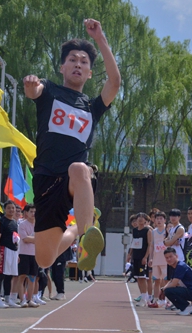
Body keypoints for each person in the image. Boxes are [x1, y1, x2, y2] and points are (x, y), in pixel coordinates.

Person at [23, 18, 120, 272]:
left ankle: (87, 237)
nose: (78, 64)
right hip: (46, 180)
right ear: (62, 67)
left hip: (76, 180)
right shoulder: (50, 90)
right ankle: (78, 229)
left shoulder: (92, 107)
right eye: (73, 60)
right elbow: (34, 92)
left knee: (79, 168)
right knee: (44, 260)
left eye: (84, 62)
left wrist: (100, 39)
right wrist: (31, 85)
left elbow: (114, 83)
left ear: (89, 72)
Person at [161, 248, 192, 316]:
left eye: (170, 256)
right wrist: (163, 288)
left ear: (176, 256)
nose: (169, 259)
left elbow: (173, 284)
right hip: (189, 290)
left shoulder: (180, 266)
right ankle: (186, 307)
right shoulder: (175, 266)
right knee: (167, 290)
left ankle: (187, 307)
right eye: (166, 258)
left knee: (168, 291)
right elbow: (171, 280)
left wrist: (163, 289)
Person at [0, 201, 19, 308]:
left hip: (13, 251)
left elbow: (16, 238)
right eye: (9, 208)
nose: (11, 210)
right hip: (4, 249)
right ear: (5, 209)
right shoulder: (2, 221)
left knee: (9, 276)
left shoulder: (14, 222)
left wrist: (17, 254)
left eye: (13, 208)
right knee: (1, 274)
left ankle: (7, 298)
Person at [17, 204, 39, 308]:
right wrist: (37, 239)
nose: (33, 214)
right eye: (31, 212)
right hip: (24, 253)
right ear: (26, 213)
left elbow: (42, 239)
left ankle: (30, 299)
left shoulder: (39, 225)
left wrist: (33, 239)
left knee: (32, 277)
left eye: (35, 212)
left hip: (35, 254)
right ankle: (22, 300)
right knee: (22, 276)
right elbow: (25, 239)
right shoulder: (22, 225)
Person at [129, 213, 151, 307]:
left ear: (146, 220)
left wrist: (145, 257)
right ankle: (142, 296)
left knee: (143, 277)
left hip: (143, 256)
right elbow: (133, 242)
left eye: (143, 218)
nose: (140, 219)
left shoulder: (147, 230)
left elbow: (150, 245)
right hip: (136, 256)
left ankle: (145, 299)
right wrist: (129, 254)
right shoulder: (134, 230)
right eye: (139, 218)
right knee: (138, 277)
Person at [148, 212, 168, 308]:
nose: (159, 221)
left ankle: (166, 300)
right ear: (154, 220)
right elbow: (152, 245)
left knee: (166, 281)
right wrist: (150, 258)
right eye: (157, 219)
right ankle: (155, 300)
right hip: (156, 260)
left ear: (165, 220)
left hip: (166, 261)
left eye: (161, 219)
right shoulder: (154, 232)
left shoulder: (168, 230)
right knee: (156, 280)